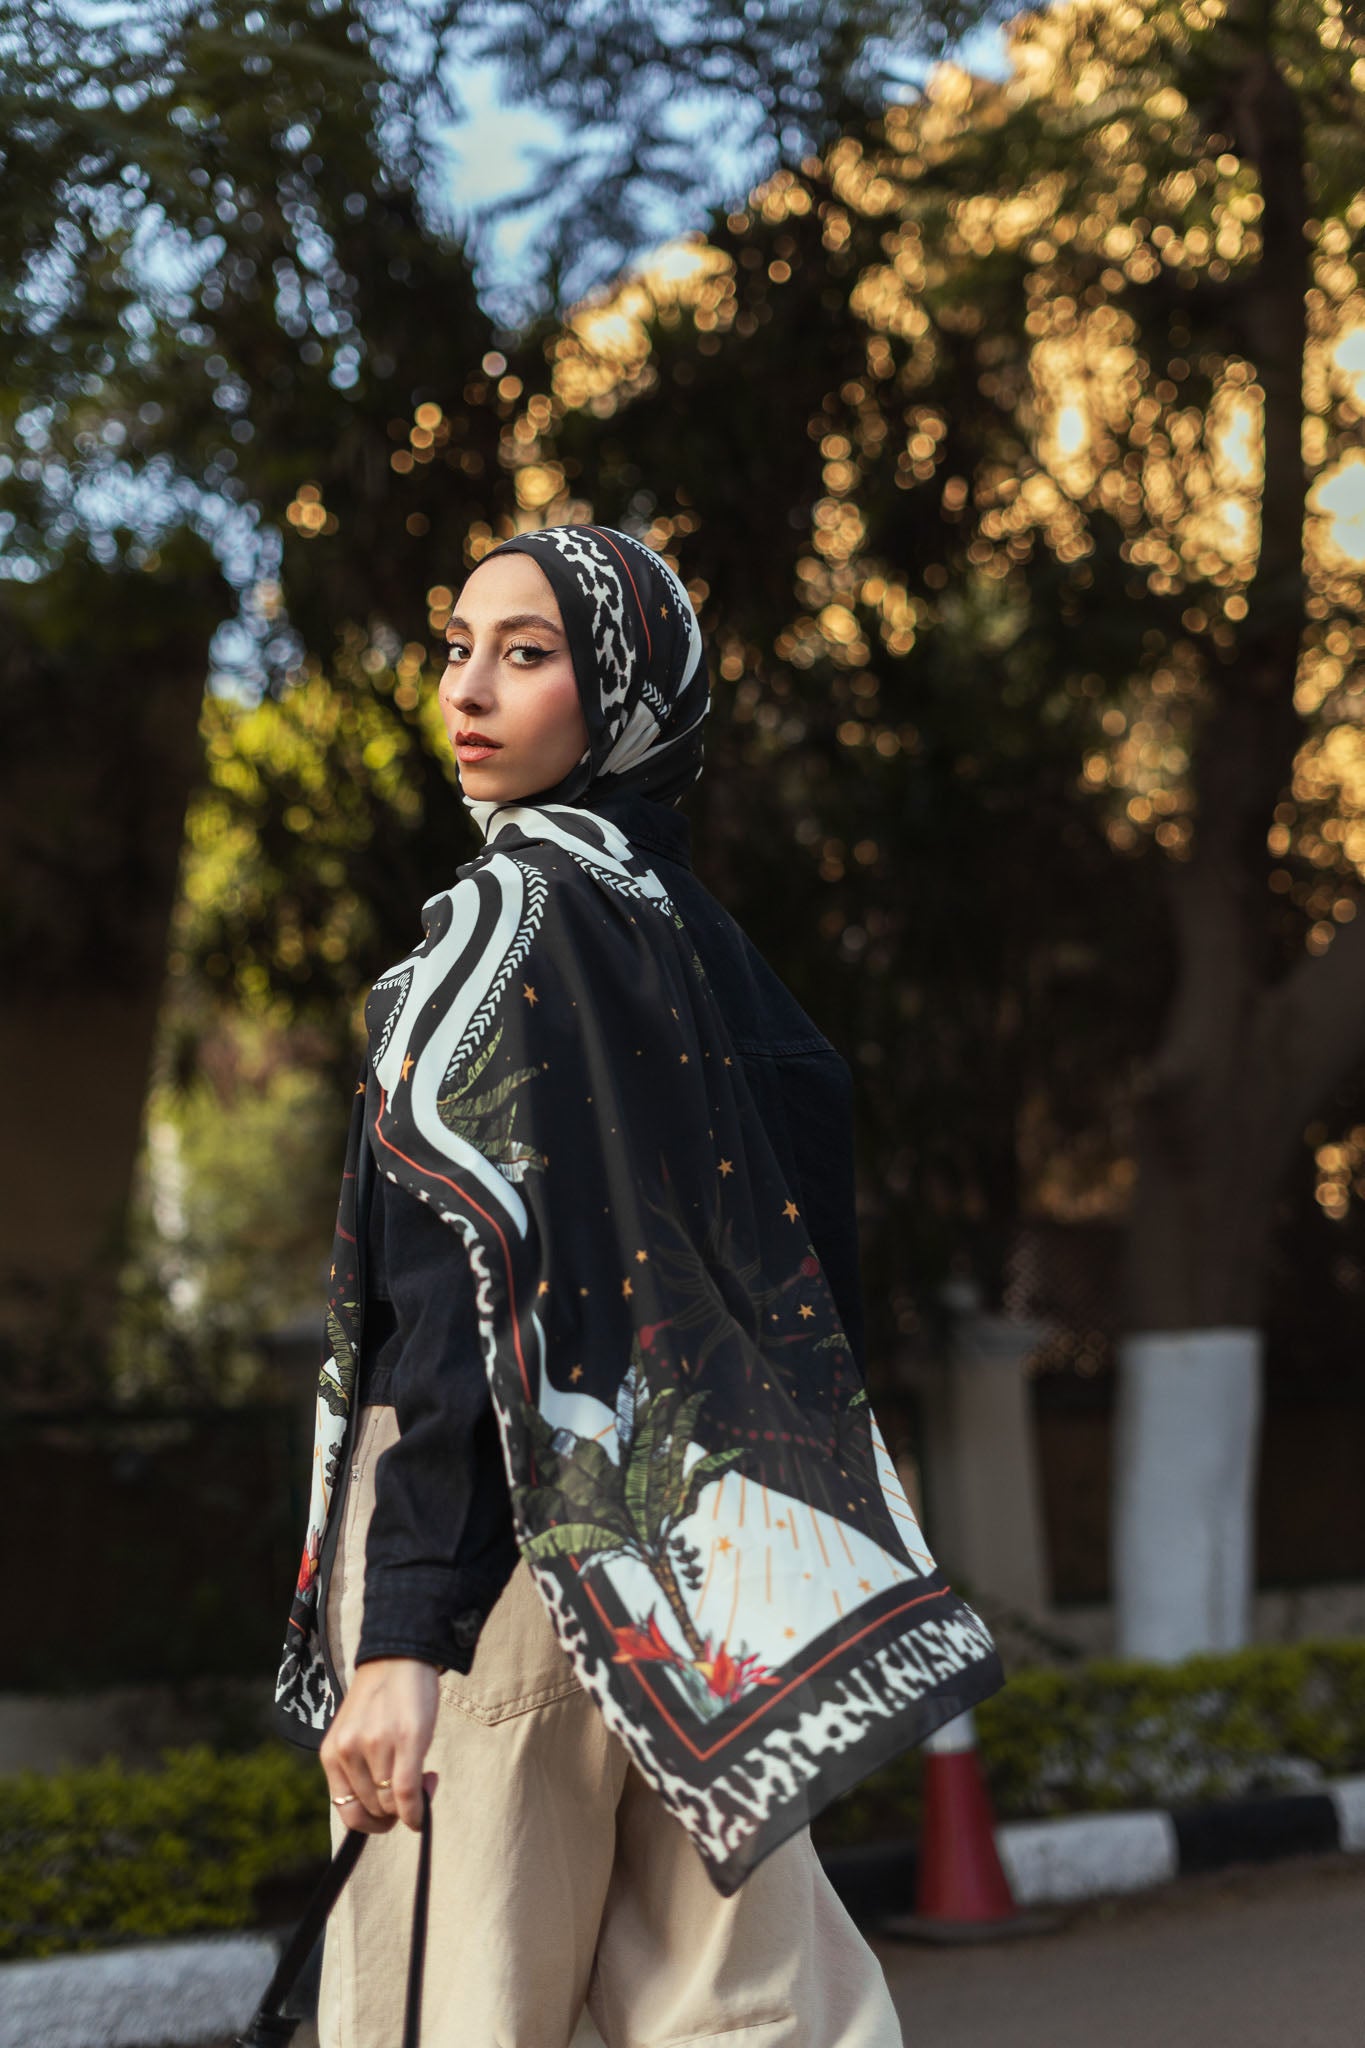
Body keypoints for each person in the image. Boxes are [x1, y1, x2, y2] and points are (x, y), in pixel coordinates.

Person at [275, 523, 1002, 2047]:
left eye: (528, 654)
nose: (468, 689)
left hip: (498, 1565)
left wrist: (403, 1636)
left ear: (620, 695)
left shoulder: (496, 932)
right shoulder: (710, 955)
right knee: (751, 2013)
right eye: (458, 649)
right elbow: (802, 1313)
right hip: (700, 1561)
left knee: (456, 2003)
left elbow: (458, 1299)